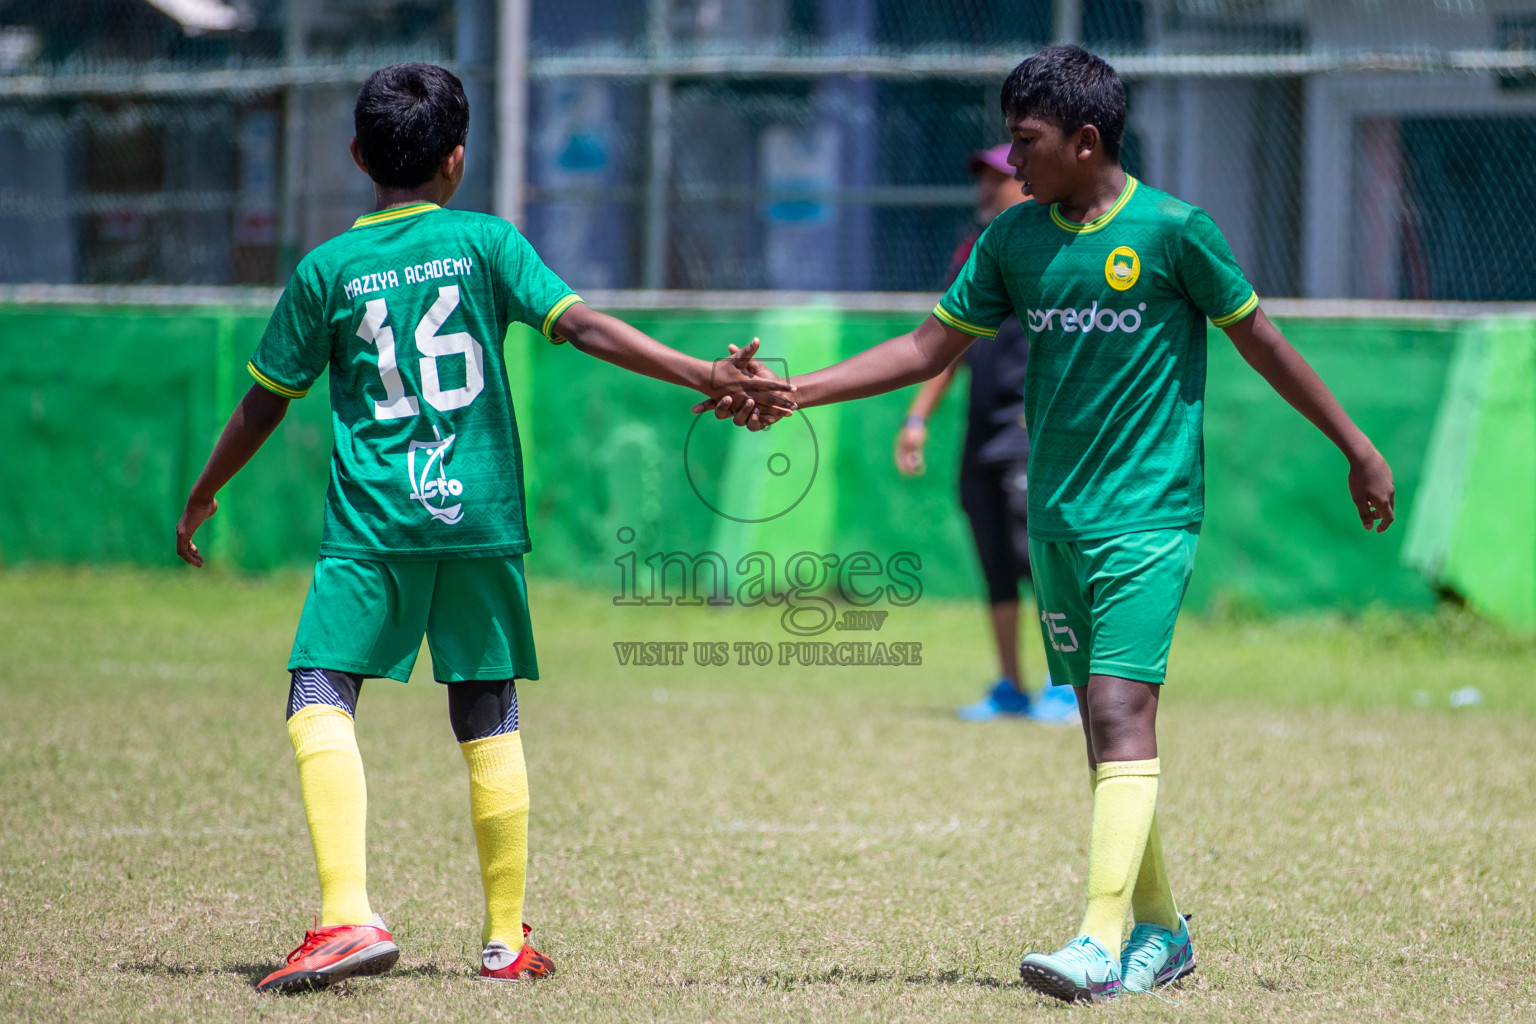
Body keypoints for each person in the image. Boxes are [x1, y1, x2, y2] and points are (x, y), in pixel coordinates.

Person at [702, 45, 1395, 1003]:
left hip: (1149, 517)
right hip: (1058, 518)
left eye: (1025, 141)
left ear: (1086, 139)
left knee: (1116, 711)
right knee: (1104, 736)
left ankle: (1098, 947)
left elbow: (1263, 343)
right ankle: (1163, 932)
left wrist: (1356, 446)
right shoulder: (1013, 241)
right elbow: (925, 347)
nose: (1011, 158)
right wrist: (795, 391)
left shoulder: (1177, 233)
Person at [174, 63, 785, 995]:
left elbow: (264, 404)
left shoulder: (327, 270)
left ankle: (346, 915)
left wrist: (205, 489)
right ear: (457, 158)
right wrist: (702, 372)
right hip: (481, 518)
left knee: (318, 691)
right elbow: (582, 327)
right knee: (486, 707)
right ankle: (504, 940)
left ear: (355, 156)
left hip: (377, 523)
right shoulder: (487, 244)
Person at [896, 144, 1075, 725]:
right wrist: (917, 419)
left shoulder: (1054, 247)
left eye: (996, 178)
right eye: (982, 179)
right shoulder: (973, 253)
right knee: (995, 561)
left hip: (1031, 429)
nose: (986, 189)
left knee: (1040, 560)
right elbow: (948, 342)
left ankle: (1065, 684)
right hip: (980, 431)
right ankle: (1010, 685)